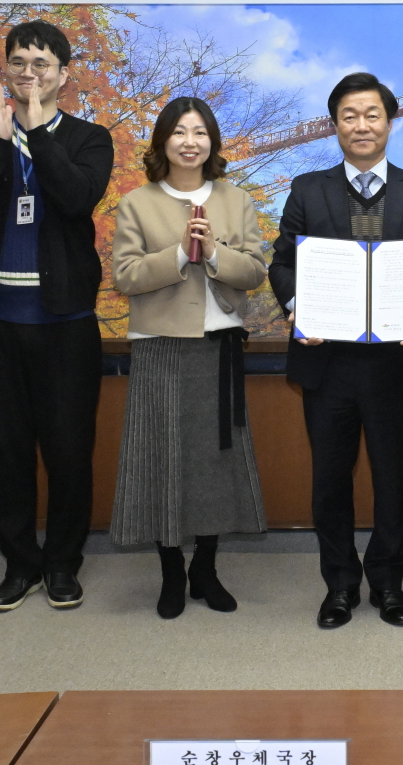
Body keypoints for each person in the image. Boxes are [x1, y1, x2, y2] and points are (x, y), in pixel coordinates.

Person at [0, 19, 114, 612]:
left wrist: (37, 133)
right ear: (6, 70)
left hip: (66, 324)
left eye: (42, 64)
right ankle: (20, 565)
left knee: (69, 453)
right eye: (18, 62)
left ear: (63, 75)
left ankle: (63, 564)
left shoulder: (89, 138)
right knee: (6, 453)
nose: (29, 73)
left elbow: (75, 198)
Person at [268, 74, 403, 629]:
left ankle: (389, 582)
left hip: (397, 362)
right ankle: (340, 584)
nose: (361, 125)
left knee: (394, 480)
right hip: (329, 362)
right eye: (349, 116)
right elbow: (282, 262)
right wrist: (298, 306)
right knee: (330, 480)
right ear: (334, 125)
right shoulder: (306, 189)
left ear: (390, 123)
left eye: (372, 115)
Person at [110, 96, 270, 619]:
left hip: (219, 348)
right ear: (163, 141)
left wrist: (216, 252)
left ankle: (205, 567)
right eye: (179, 132)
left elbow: (255, 271)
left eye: (200, 132)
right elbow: (126, 277)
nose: (190, 142)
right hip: (160, 347)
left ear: (212, 142)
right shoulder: (137, 202)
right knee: (163, 460)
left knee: (213, 466)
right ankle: (170, 572)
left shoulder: (236, 199)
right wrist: (180, 252)